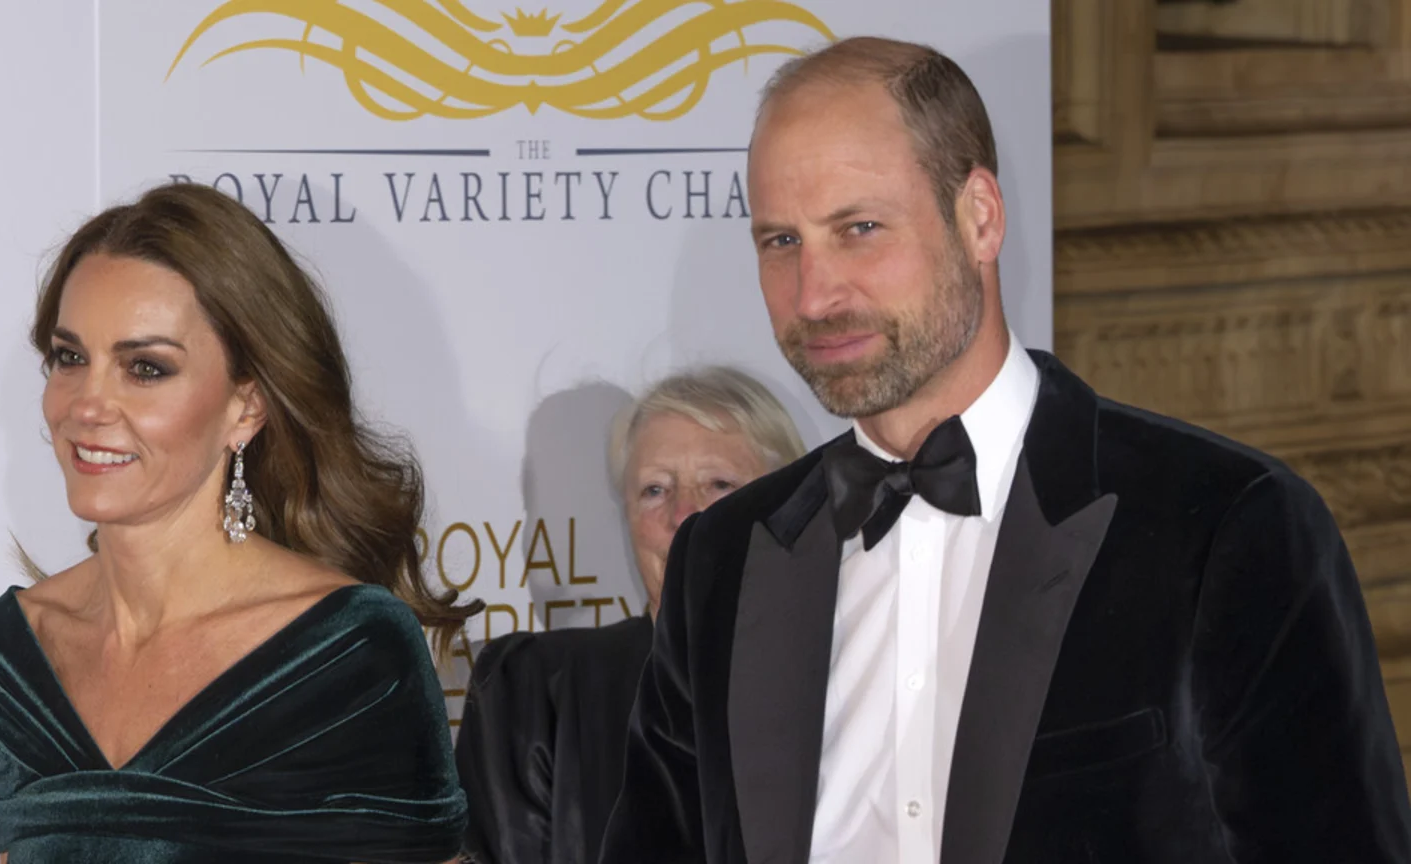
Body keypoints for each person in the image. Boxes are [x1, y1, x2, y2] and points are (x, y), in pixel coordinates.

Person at [598, 36, 1411, 864]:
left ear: (980, 218)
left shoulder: (1227, 528)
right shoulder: (722, 563)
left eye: (860, 228)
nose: (814, 294)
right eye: (781, 242)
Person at [0, 182, 481, 864]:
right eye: (70, 358)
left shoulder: (347, 654)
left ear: (246, 407)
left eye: (145, 368)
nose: (87, 405)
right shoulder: (7, 661)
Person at [455, 367, 806, 864]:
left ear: (788, 508)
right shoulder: (535, 693)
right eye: (655, 490)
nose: (685, 515)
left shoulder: (847, 678)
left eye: (719, 484)